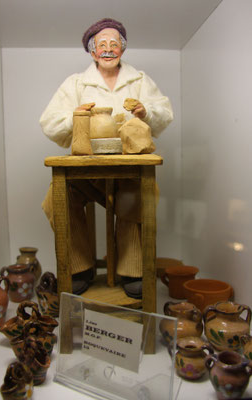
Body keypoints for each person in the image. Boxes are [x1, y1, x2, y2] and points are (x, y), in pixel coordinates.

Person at [40, 18, 173, 299]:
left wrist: (145, 110)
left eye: (115, 44)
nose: (109, 50)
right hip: (87, 172)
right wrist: (77, 116)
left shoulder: (139, 80)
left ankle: (131, 269)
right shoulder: (76, 83)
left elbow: (164, 112)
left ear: (123, 50)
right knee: (58, 195)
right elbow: (50, 122)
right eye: (102, 45)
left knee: (136, 196)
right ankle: (80, 267)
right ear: (92, 52)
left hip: (127, 171)